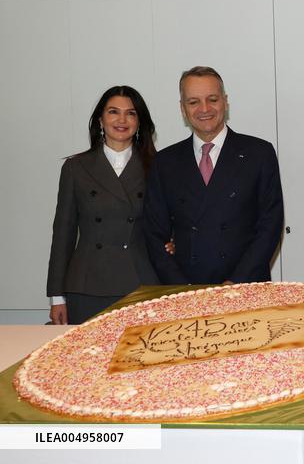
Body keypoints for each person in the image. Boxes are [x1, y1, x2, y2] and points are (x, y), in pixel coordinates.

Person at [144, 66, 284, 284]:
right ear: (182, 108)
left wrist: (235, 283)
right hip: (187, 291)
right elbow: (154, 235)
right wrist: (183, 288)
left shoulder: (259, 153)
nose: (204, 108)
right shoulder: (165, 162)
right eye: (193, 102)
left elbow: (270, 226)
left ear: (225, 101)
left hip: (246, 287)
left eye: (212, 99)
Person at [46, 86, 160, 324]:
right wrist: (57, 296)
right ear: (101, 119)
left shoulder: (158, 167)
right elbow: (63, 235)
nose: (122, 120)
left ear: (140, 121)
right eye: (113, 112)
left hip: (141, 284)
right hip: (88, 285)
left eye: (131, 113)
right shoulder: (75, 168)